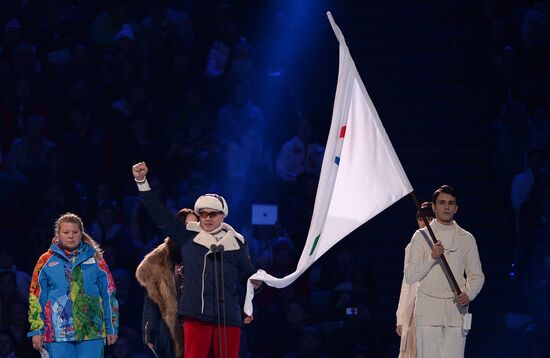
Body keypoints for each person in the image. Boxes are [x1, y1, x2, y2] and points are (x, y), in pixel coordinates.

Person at [132, 162, 260, 358]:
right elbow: (160, 215)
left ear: (222, 216)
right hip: (196, 318)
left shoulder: (237, 243)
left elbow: (247, 274)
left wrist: (256, 281)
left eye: (213, 214)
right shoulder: (188, 238)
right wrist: (142, 182)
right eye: (203, 214)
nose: (207, 218)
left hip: (228, 318)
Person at [404, 185, 484, 358]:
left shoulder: (466, 238)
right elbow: (410, 276)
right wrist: (432, 257)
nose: (446, 207)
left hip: (456, 311)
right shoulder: (421, 236)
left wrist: (468, 294)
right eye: (441, 203)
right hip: (427, 310)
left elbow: (476, 276)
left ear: (456, 208)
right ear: (434, 207)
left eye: (450, 203)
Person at [27, 212, 119, 357]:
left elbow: (109, 294)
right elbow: (36, 297)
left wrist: (111, 327)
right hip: (57, 333)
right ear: (58, 234)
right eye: (66, 232)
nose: (71, 236)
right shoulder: (45, 261)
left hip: (91, 332)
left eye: (75, 232)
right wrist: (37, 330)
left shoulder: (95, 259)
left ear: (81, 233)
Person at [135, 208, 194, 358]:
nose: (191, 230)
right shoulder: (158, 261)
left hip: (200, 326)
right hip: (170, 331)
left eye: (195, 226)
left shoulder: (207, 254)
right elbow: (152, 300)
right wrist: (149, 332)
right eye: (187, 226)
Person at [395, 201, 435, 358]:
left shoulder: (447, 244)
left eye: (430, 219)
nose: (425, 223)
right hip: (414, 308)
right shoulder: (411, 247)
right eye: (421, 219)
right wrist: (400, 317)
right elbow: (407, 283)